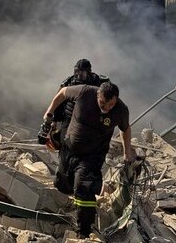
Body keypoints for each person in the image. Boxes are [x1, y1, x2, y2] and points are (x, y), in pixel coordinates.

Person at [42, 82, 135, 238]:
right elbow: (64, 92)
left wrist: (127, 153)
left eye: (111, 104)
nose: (107, 108)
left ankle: (84, 231)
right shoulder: (85, 92)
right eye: (103, 103)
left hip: (93, 156)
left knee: (83, 187)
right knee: (62, 184)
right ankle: (95, 187)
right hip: (69, 149)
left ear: (116, 100)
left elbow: (125, 129)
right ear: (98, 95)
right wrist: (49, 113)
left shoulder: (120, 110)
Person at [40, 59, 109, 149]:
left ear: (89, 72)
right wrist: (54, 121)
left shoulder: (98, 83)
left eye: (82, 73)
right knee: (63, 140)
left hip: (90, 117)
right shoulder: (69, 82)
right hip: (70, 116)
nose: (79, 75)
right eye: (77, 71)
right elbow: (58, 101)